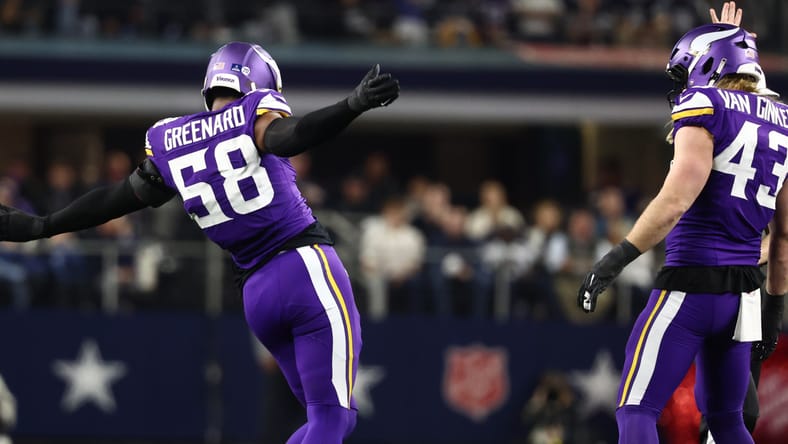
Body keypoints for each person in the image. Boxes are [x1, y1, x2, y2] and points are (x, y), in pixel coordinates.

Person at [0, 42, 399, 444]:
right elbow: (288, 137)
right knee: (333, 420)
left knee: (320, 422)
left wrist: (44, 225)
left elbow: (117, 198)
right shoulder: (253, 112)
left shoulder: (171, 140)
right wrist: (352, 105)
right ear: (258, 82)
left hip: (257, 294)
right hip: (303, 269)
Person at [576, 16, 785, 444]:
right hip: (743, 294)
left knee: (636, 410)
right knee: (729, 422)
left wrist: (614, 260)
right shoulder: (781, 120)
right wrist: (775, 313)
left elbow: (674, 203)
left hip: (690, 284)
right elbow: (783, 240)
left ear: (707, 64)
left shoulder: (704, 104)